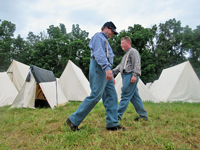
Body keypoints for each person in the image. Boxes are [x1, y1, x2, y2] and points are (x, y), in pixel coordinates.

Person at [66, 21, 125, 131]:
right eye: (112, 31)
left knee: (112, 96)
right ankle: (73, 120)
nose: (112, 34)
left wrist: (110, 74)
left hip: (106, 70)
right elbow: (99, 54)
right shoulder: (98, 36)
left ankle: (112, 124)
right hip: (99, 67)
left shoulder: (105, 41)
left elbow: (107, 57)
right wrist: (107, 69)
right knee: (96, 95)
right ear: (106, 28)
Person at [112, 36, 148, 121]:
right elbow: (121, 66)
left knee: (125, 95)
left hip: (130, 76)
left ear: (128, 43)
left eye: (122, 43)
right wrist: (112, 72)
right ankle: (143, 116)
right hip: (126, 76)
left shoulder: (133, 52)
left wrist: (135, 75)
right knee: (135, 97)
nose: (121, 45)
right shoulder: (126, 54)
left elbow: (137, 63)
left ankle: (117, 116)